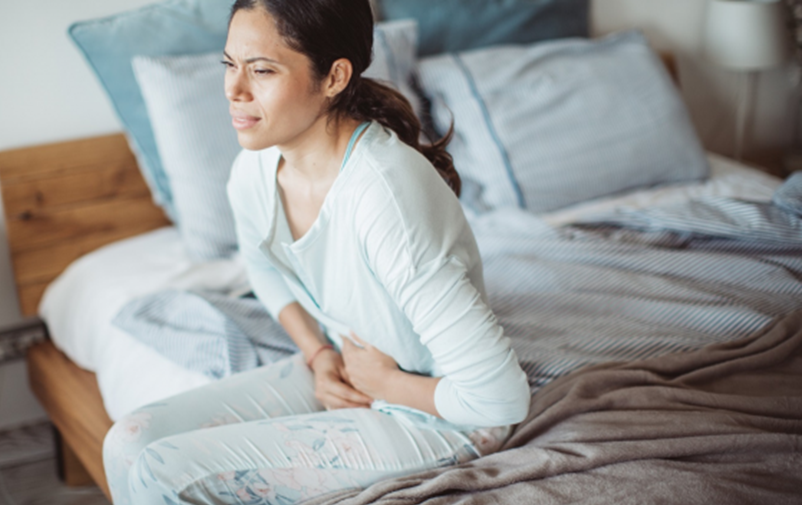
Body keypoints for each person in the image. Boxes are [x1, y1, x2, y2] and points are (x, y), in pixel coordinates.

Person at [102, 0, 530, 503]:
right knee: (129, 441)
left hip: (444, 415)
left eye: (262, 70)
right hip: (353, 371)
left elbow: (499, 400)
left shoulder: (384, 194)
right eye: (229, 64)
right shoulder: (256, 168)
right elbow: (263, 270)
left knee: (164, 472)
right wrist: (319, 352)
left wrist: (385, 383)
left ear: (334, 77)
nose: (234, 89)